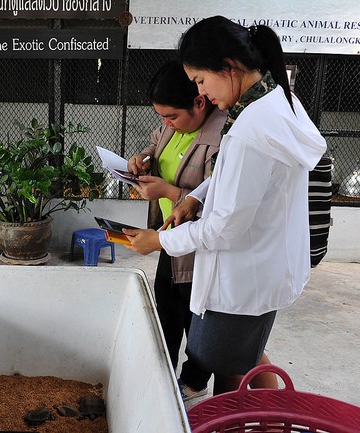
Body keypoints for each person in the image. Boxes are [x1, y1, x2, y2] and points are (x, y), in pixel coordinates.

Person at [123, 16, 327, 395]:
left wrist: (160, 241)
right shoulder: (277, 102)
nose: (202, 92)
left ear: (228, 68)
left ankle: (263, 417)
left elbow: (224, 226)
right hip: (263, 266)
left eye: (201, 80)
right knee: (243, 354)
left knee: (228, 359)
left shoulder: (250, 129)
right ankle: (276, 413)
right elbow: (237, 179)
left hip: (245, 272)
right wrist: (197, 196)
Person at [126, 60, 226, 401]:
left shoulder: (223, 137)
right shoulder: (172, 127)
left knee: (196, 322)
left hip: (200, 250)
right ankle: (162, 379)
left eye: (171, 116)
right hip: (169, 240)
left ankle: (193, 385)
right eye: (162, 117)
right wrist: (141, 158)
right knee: (166, 310)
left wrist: (169, 192)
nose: (166, 124)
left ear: (200, 101)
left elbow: (221, 202)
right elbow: (156, 145)